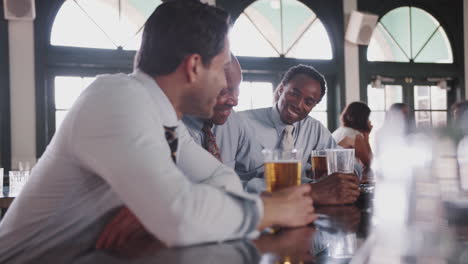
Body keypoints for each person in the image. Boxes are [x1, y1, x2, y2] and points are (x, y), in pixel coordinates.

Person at [0, 2, 316, 262]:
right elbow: (179, 218)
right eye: (221, 69)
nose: (224, 86)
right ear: (194, 67)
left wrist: (153, 211)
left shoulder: (164, 119)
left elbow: (224, 179)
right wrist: (274, 208)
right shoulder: (115, 98)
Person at [240, 64, 360, 205]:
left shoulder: (315, 129)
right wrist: (307, 188)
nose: (298, 104)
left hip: (301, 212)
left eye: (308, 102)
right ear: (281, 89)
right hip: (253, 209)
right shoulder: (241, 123)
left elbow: (348, 164)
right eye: (294, 93)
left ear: (314, 106)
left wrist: (349, 176)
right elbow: (223, 184)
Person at [183, 54, 264, 184]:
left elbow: (260, 173)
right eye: (224, 91)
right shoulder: (169, 128)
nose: (235, 102)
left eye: (237, 90)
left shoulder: (234, 122)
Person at [332, 101, 373, 169]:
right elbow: (370, 162)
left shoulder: (340, 130)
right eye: (367, 118)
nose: (369, 121)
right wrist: (366, 136)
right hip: (344, 175)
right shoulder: (355, 135)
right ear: (362, 118)